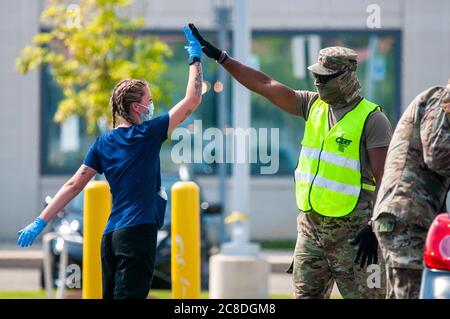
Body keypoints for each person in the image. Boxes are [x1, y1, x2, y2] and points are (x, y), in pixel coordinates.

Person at [189, 24, 392, 299]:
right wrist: (222, 58)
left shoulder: (372, 119)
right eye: (316, 77)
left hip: (355, 236)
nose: (318, 83)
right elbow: (265, 84)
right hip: (311, 231)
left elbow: (385, 177)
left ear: (346, 76)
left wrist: (375, 227)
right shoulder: (311, 105)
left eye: (326, 78)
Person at [17, 25, 203, 299]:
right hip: (137, 235)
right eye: (149, 101)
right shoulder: (148, 134)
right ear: (137, 108)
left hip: (111, 238)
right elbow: (193, 99)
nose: (152, 106)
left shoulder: (102, 144)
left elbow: (73, 184)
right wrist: (195, 58)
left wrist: (39, 221)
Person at [372, 79, 450, 299]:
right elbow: (437, 153)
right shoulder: (443, 99)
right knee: (412, 293)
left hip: (408, 216)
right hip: (407, 216)